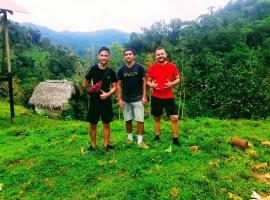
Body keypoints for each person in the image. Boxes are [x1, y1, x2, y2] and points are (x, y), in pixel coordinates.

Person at [84, 46, 117, 151]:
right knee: (93, 124)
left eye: (106, 55)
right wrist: (91, 90)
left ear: (109, 57)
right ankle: (93, 146)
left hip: (106, 100)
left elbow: (115, 86)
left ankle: (106, 145)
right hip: (94, 100)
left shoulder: (111, 72)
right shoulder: (93, 69)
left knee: (106, 123)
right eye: (102, 55)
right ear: (98, 56)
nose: (103, 57)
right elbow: (86, 81)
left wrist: (108, 94)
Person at [147, 47, 181, 146]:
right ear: (155, 56)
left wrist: (171, 84)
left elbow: (178, 79)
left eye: (162, 54)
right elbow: (148, 81)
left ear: (166, 55)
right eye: (158, 54)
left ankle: (175, 139)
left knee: (174, 118)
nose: (160, 56)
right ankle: (157, 136)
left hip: (169, 96)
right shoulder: (152, 68)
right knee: (157, 118)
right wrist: (152, 85)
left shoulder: (172, 66)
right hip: (156, 96)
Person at [117, 48, 148, 149]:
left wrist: (144, 96)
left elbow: (144, 82)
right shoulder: (121, 70)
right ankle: (129, 138)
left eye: (130, 54)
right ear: (124, 57)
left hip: (138, 98)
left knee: (140, 120)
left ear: (133, 56)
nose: (128, 56)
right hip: (126, 99)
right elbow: (118, 85)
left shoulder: (140, 67)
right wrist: (119, 99)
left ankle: (140, 141)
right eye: (126, 54)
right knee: (128, 119)